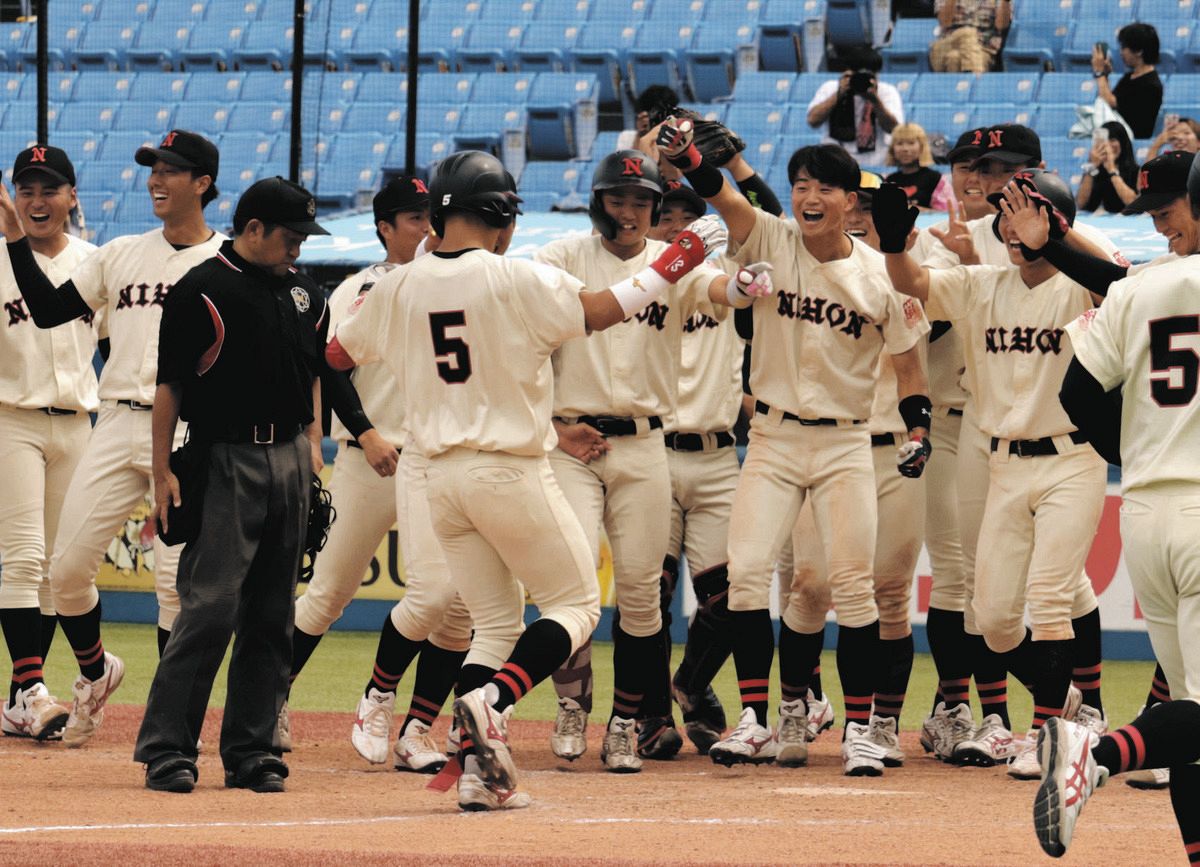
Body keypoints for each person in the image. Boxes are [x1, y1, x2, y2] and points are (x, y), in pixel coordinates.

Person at [325, 150, 750, 811]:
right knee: (576, 606)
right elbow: (604, 310)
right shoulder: (513, 276)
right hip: (507, 465)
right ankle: (493, 702)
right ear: (499, 213)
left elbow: (334, 353)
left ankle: (475, 773)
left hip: (436, 476)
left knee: (495, 626)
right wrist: (679, 257)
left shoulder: (399, 284)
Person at [657, 122, 933, 776]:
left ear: (849, 200)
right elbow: (722, 195)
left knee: (854, 587)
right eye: (801, 184)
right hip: (774, 437)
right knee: (748, 575)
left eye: (825, 187)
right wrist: (688, 155)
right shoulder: (771, 237)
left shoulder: (880, 276)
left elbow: (910, 370)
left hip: (845, 442)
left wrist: (919, 430)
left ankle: (859, 731)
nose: (810, 196)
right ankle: (757, 719)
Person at [875, 169, 1110, 785]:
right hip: (1002, 460)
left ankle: (1047, 735)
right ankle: (1072, 705)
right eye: (1006, 214)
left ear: (1056, 223)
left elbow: (1117, 279)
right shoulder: (983, 284)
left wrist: (1057, 236)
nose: (1011, 226)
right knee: (995, 619)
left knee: (1050, 598)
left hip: (1071, 459)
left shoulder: (1081, 285)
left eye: (1025, 213)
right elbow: (915, 285)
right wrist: (894, 245)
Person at [535, 151, 767, 774]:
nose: (630, 211)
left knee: (640, 595)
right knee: (572, 581)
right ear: (597, 202)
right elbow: (546, 321)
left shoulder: (675, 262)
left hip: (643, 443)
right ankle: (572, 705)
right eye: (618, 199)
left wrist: (745, 284)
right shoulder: (560, 256)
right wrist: (552, 429)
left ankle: (624, 723)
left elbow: (719, 290)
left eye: (641, 202)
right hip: (573, 441)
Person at [0, 129, 226, 747]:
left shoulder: (226, 261)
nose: (155, 179)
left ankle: (171, 722)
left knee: (174, 583)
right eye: (153, 169)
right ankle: (91, 674)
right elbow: (51, 310)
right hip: (112, 417)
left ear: (202, 183)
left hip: (184, 428)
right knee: (65, 569)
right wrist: (15, 241)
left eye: (169, 170)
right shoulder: (121, 254)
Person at [133, 176, 331, 794]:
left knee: (273, 612)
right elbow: (170, 386)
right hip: (224, 455)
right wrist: (161, 470)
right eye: (291, 235)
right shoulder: (202, 289)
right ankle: (169, 748)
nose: (298, 246)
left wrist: (312, 443)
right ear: (253, 229)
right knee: (210, 607)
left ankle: (252, 750)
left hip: (289, 457)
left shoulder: (305, 292)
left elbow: (314, 371)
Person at [1032, 152, 1200, 862]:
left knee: (1190, 719)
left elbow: (1077, 393)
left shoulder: (1139, 287)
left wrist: (1136, 451)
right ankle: (1094, 754)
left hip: (1147, 512)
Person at [284, 176, 471, 772]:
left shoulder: (458, 282)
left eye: (430, 215)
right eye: (413, 217)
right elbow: (331, 365)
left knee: (454, 606)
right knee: (328, 593)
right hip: (370, 459)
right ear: (385, 227)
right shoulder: (362, 286)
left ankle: (415, 732)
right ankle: (267, 701)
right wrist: (363, 432)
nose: (426, 226)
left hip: (438, 460)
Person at [778, 172, 928, 770]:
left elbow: (916, 363)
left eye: (870, 205)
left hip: (892, 449)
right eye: (855, 203)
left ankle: (879, 724)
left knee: (889, 591)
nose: (860, 214)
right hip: (827, 443)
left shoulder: (905, 275)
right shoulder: (803, 267)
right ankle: (794, 709)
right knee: (811, 584)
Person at [0, 145, 96, 742]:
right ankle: (32, 690)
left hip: (79, 424)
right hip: (12, 418)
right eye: (26, 189)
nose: (37, 201)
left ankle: (19, 698)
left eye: (49, 189)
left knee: (60, 570)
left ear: (71, 196)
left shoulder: (95, 262)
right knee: (23, 557)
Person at [806, 46, 903, 167]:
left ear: (877, 74)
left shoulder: (887, 91)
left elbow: (894, 129)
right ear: (847, 71)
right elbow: (813, 121)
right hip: (835, 160)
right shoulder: (830, 88)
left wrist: (875, 100)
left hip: (875, 161)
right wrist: (839, 94)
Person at [1091, 22, 1163, 140]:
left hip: (1131, 140)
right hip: (1116, 135)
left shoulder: (1151, 84)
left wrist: (1099, 73)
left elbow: (1110, 102)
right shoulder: (1129, 77)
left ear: (1139, 51)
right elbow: (1110, 101)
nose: (1121, 52)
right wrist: (1105, 75)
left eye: (1124, 47)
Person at [928, 0, 1012, 73]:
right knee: (967, 33)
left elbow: (1001, 26)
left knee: (954, 59)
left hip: (983, 48)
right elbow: (945, 22)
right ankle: (977, 81)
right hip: (945, 47)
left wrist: (1005, 2)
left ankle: (963, 85)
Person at [1076, 122, 1138, 214]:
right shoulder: (1093, 171)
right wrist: (1092, 166)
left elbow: (1133, 203)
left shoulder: (1135, 171)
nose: (1107, 146)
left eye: (1112, 140)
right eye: (1104, 141)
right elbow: (1080, 203)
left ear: (1122, 143)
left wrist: (1111, 169)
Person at [884, 123, 951, 210]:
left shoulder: (936, 179)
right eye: (899, 143)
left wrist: (911, 210)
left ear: (922, 147)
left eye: (911, 143)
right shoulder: (889, 181)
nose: (905, 149)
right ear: (892, 149)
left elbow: (945, 213)